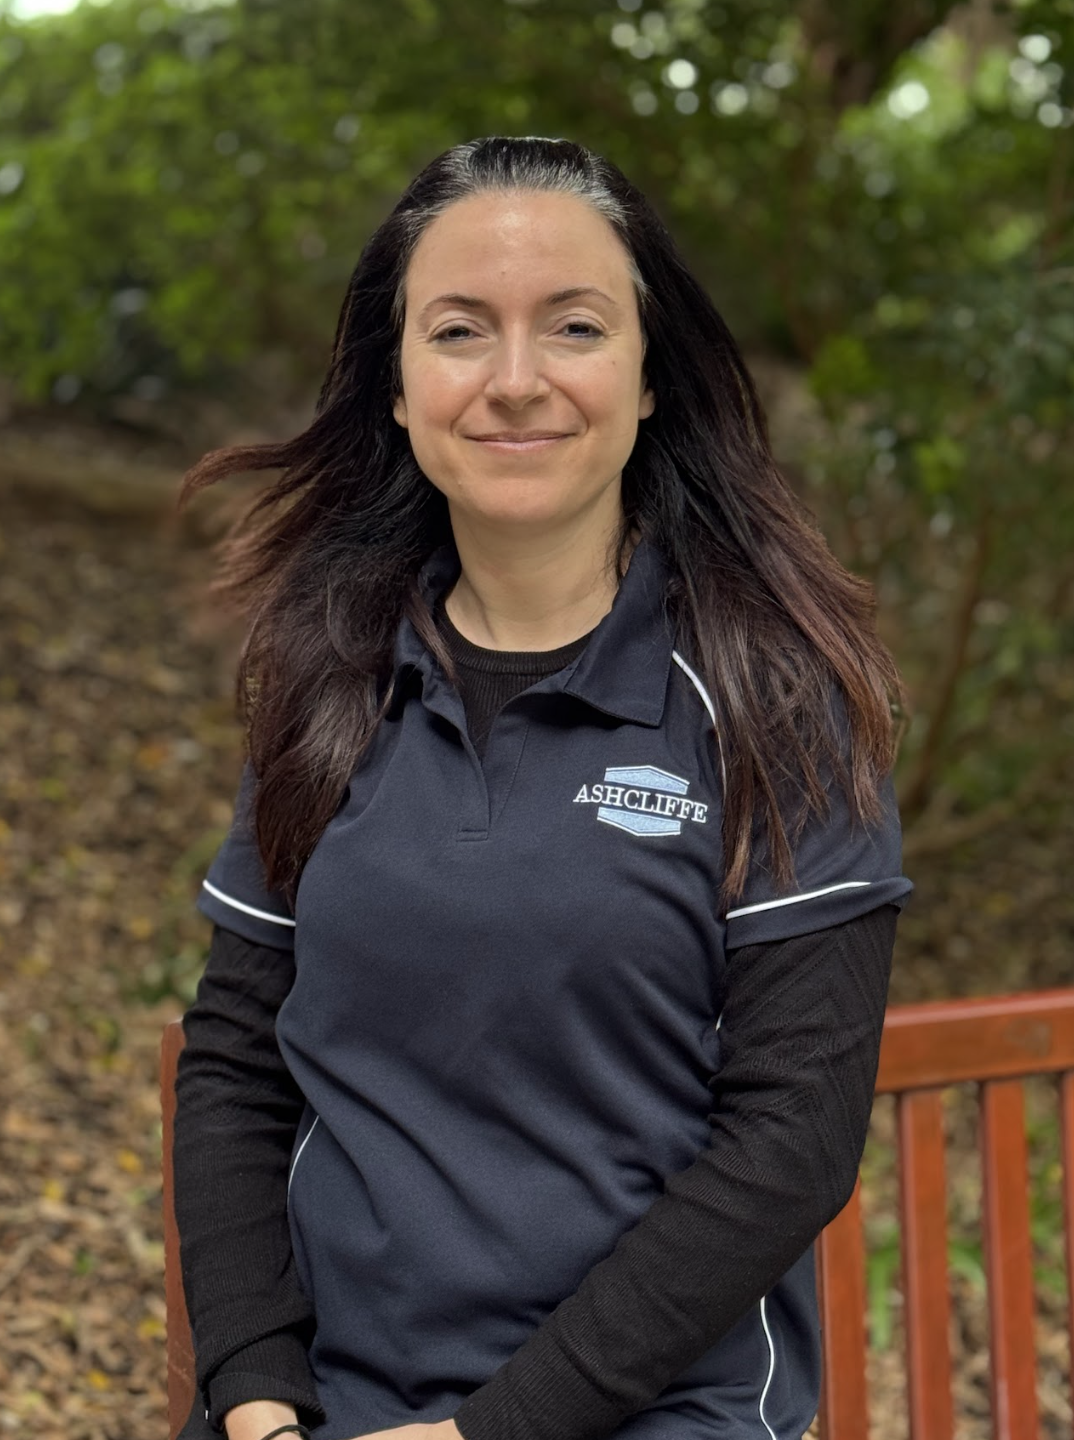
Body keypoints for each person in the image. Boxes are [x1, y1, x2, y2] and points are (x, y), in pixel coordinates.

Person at [172, 135, 913, 1440]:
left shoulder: (771, 707)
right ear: (397, 386)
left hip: (649, 1416)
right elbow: (235, 1069)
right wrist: (253, 1396)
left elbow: (788, 1139)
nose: (514, 383)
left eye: (572, 326)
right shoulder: (326, 683)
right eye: (459, 330)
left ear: (646, 378)